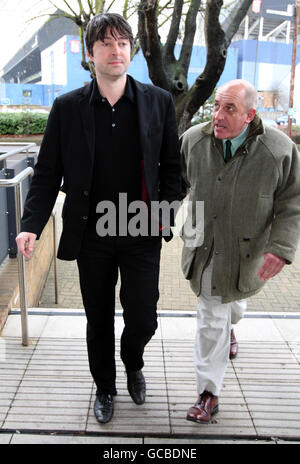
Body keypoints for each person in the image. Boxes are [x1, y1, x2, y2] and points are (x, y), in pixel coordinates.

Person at [16, 13, 181, 424]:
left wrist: (166, 213)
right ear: (90, 54)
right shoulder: (67, 107)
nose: (116, 50)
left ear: (131, 51)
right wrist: (30, 225)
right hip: (91, 231)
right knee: (98, 318)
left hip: (141, 226)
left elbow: (172, 167)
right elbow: (48, 172)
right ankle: (105, 387)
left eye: (123, 43)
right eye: (106, 43)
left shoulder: (158, 101)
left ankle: (133, 362)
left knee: (143, 314)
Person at [180, 79, 300, 424]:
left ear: (250, 115)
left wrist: (281, 248)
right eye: (215, 106)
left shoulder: (278, 150)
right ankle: (208, 393)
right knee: (210, 317)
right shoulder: (192, 141)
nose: (217, 115)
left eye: (228, 109)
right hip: (204, 249)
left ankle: (231, 327)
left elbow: (293, 201)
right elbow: (174, 183)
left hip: (247, 254)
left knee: (233, 304)